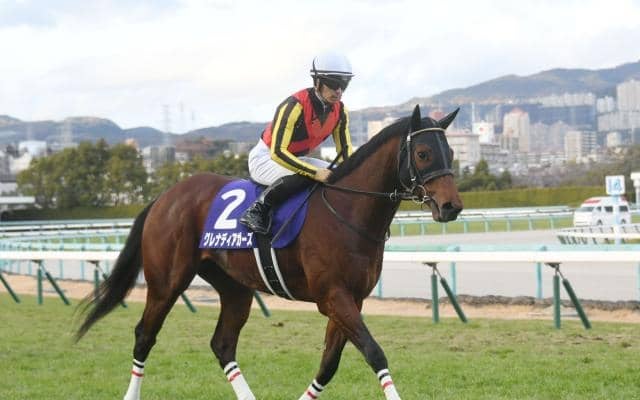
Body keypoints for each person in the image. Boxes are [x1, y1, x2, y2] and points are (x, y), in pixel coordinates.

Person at [239, 51, 354, 234]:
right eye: (333, 84)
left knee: (338, 174)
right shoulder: (294, 105)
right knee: (308, 175)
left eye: (344, 84)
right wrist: (314, 172)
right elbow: (278, 152)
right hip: (266, 159)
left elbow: (346, 154)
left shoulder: (341, 112)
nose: (338, 91)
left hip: (294, 159)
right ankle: (257, 210)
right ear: (317, 81)